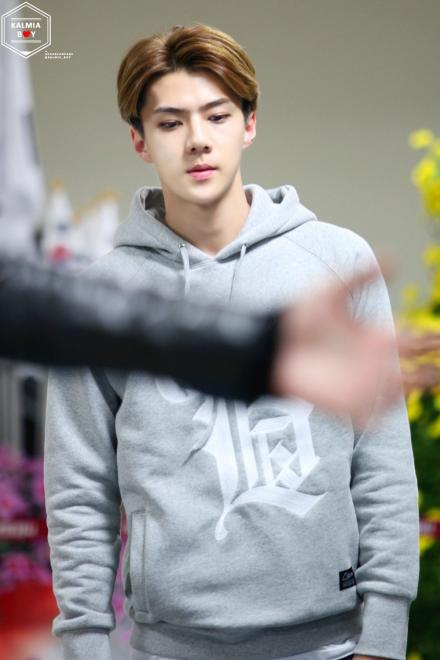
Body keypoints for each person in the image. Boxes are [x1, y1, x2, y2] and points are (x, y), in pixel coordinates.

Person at [43, 24, 420, 660]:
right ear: (139, 140)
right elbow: (78, 489)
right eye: (170, 123)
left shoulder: (336, 262)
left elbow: (381, 461)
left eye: (216, 115)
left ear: (249, 124)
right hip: (167, 647)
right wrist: (85, 644)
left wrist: (382, 638)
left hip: (333, 645)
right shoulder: (99, 300)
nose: (197, 139)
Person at [0, 252, 401, 426]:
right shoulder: (112, 268)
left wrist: (257, 344)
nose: (197, 140)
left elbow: (21, 301)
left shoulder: (331, 256)